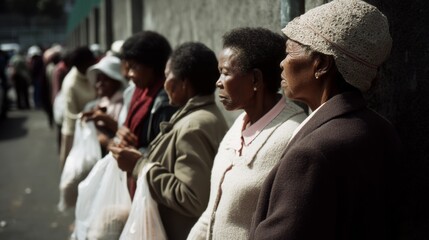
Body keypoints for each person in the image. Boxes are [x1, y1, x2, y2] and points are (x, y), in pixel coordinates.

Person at [249, 0, 402, 239]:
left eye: (289, 52)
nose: (282, 63)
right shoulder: (382, 130)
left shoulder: (311, 153)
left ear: (321, 64)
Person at [187, 27, 307, 240]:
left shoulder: (293, 134)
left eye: (225, 73)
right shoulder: (237, 126)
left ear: (256, 80)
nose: (218, 82)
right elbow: (211, 212)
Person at [111, 42, 229, 240]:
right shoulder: (197, 116)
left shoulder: (194, 126)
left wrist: (140, 165)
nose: (165, 84)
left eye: (168, 76)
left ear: (183, 82)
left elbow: (192, 197)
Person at [109, 31, 178, 197]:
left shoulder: (164, 103)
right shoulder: (140, 93)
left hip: (154, 192)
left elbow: (166, 156)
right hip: (139, 183)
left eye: (134, 67)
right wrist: (121, 134)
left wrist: (133, 153)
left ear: (152, 66)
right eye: (128, 67)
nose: (129, 74)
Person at [59, 46, 97, 170]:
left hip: (92, 128)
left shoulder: (91, 74)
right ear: (81, 64)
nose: (93, 64)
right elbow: (71, 114)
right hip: (74, 132)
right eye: (90, 62)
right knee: (75, 171)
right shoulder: (71, 84)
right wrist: (91, 114)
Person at [81, 55, 128, 156]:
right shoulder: (103, 101)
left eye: (105, 80)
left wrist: (104, 119)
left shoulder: (123, 104)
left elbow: (124, 132)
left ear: (116, 82)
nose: (99, 84)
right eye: (98, 80)